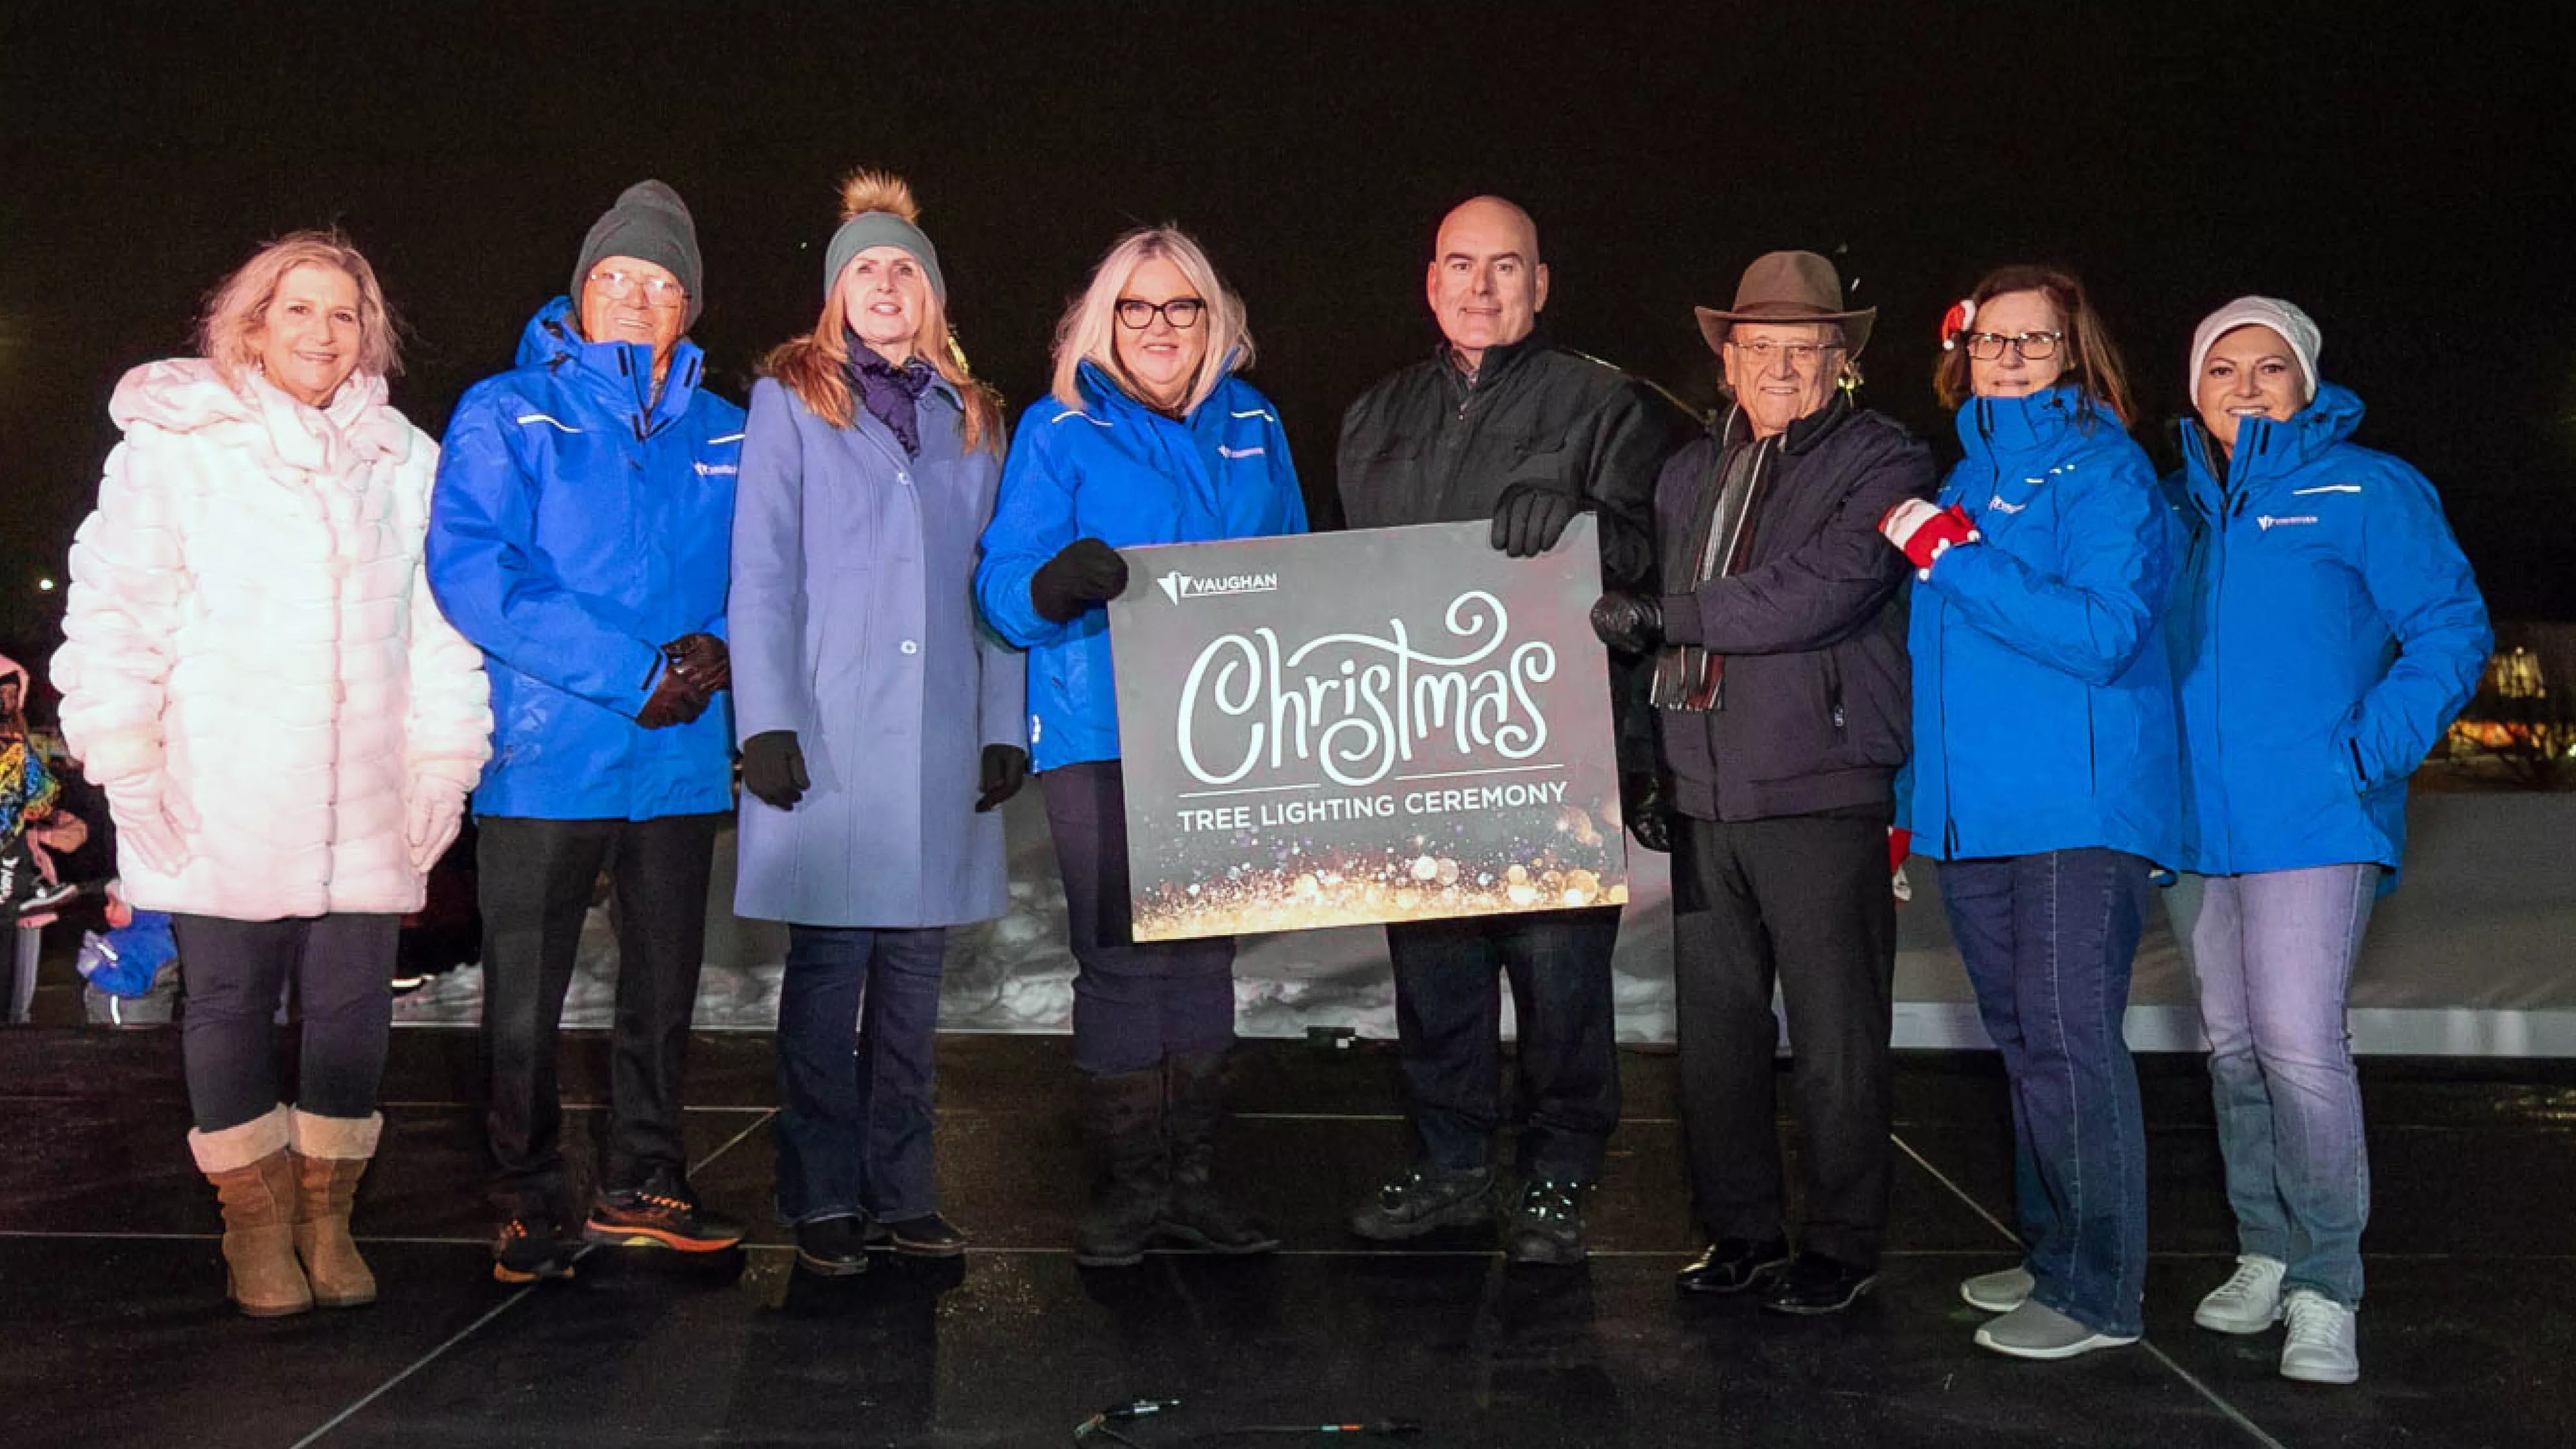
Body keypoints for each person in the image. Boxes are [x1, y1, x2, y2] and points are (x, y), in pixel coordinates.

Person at [51, 231, 492, 1314]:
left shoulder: (404, 459)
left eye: (343, 313)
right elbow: (115, 612)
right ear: (250, 324)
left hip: (364, 797)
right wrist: (129, 761)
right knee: (232, 1001)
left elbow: (441, 630)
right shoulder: (179, 446)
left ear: (367, 333)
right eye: (297, 309)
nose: (321, 332)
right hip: (224, 787)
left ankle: (326, 1214)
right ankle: (254, 1226)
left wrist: (443, 763)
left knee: (354, 1011)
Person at [1336, 195, 1687, 1267]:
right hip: (1423, 747)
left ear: (1542, 284)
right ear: (1429, 279)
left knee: (1558, 981)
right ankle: (1450, 1167)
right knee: (1434, 979)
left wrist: (1588, 529)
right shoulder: (1373, 415)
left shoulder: (1611, 404)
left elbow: (1666, 548)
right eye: (1459, 265)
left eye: (1505, 268)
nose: (1480, 288)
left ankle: (1560, 1177)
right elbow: (1348, 586)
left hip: (1552, 748)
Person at [1590, 250, 1934, 1310]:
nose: (1782, 366)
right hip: (1705, 790)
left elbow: (1823, 590)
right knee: (1719, 1038)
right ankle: (1740, 1229)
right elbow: (1654, 614)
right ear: (1727, 357)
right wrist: (1650, 759)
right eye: (1761, 347)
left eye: (1805, 348)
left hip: (1822, 786)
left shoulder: (1887, 458)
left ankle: (1841, 1240)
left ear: (1842, 360)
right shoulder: (1691, 469)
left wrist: (1672, 618)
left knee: (1835, 1037)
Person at [428, 180, 746, 1283]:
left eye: (664, 285)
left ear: (689, 307)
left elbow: (769, 568)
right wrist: (632, 673)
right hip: (549, 756)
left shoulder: (731, 429)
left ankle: (644, 1178)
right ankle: (525, 1192)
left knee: (662, 994)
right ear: (581, 291)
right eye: (617, 279)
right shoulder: (508, 409)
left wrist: (720, 645)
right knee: (525, 998)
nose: (639, 301)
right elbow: (476, 571)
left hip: (679, 756)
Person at [2166, 298, 2488, 1385]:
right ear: (2196, 388)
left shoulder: (2366, 488)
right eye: (2224, 367)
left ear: (2306, 383)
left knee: (2301, 1043)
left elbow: (2450, 625)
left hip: (2314, 818)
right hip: (2202, 827)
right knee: (2234, 1046)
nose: (2246, 386)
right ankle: (2264, 1247)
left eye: (2270, 367)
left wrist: (2366, 750)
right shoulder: (2182, 508)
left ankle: (2326, 1283)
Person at [974, 225, 1304, 1267]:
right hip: (1100, 731)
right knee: (1119, 960)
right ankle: (1129, 1187)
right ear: (1104, 318)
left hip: (1226, 732)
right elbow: (1002, 585)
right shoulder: (1059, 428)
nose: (1160, 327)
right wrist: (1051, 581)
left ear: (1214, 319)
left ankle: (1196, 1185)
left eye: (1181, 307)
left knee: (1205, 957)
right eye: (1138, 307)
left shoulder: (1254, 423)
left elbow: (1298, 568)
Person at [730, 171, 1028, 1276]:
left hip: (940, 739)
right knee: (826, 980)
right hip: (832, 735)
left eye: (906, 268)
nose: (887, 285)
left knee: (912, 987)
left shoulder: (975, 414)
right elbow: (761, 569)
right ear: (836, 292)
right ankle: (819, 1195)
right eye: (867, 268)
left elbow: (994, 579)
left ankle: (903, 1190)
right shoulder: (791, 401)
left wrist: (1006, 718)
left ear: (934, 293)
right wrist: (766, 719)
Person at [1879, 264, 2177, 1358]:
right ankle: (2055, 1255)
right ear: (1963, 352)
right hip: (1980, 815)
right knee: (2023, 1044)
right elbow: (1937, 664)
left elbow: (2103, 632)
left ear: (2073, 352)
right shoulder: (1964, 474)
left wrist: (1956, 557)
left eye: (2034, 340)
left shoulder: (2106, 471)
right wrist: (1914, 808)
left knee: (2067, 1044)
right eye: (1992, 339)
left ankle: (2101, 1295)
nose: (2008, 356)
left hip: (2076, 810)